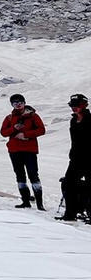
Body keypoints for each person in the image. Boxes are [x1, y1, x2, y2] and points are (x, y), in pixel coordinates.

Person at [0, 93, 46, 209]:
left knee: (33, 174)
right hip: (15, 150)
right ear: (12, 105)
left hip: (29, 150)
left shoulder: (33, 116)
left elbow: (41, 130)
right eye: (15, 103)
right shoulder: (9, 118)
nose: (18, 105)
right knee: (20, 176)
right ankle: (25, 201)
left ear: (24, 103)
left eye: (20, 102)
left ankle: (39, 204)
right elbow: (3, 133)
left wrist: (25, 134)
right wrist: (14, 128)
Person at [57, 93, 91, 222]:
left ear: (84, 105)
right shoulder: (73, 120)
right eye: (72, 105)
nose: (74, 108)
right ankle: (70, 214)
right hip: (76, 158)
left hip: (89, 158)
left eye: (77, 105)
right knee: (68, 183)